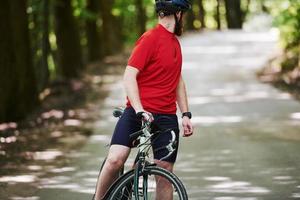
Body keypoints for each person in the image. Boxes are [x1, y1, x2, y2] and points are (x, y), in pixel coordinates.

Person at [94, 0, 193, 199]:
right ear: (179, 14)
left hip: (166, 116)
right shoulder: (150, 38)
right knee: (115, 159)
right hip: (138, 112)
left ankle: (129, 186)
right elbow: (129, 75)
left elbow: (178, 81)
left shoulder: (175, 44)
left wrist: (185, 114)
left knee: (165, 171)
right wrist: (139, 109)